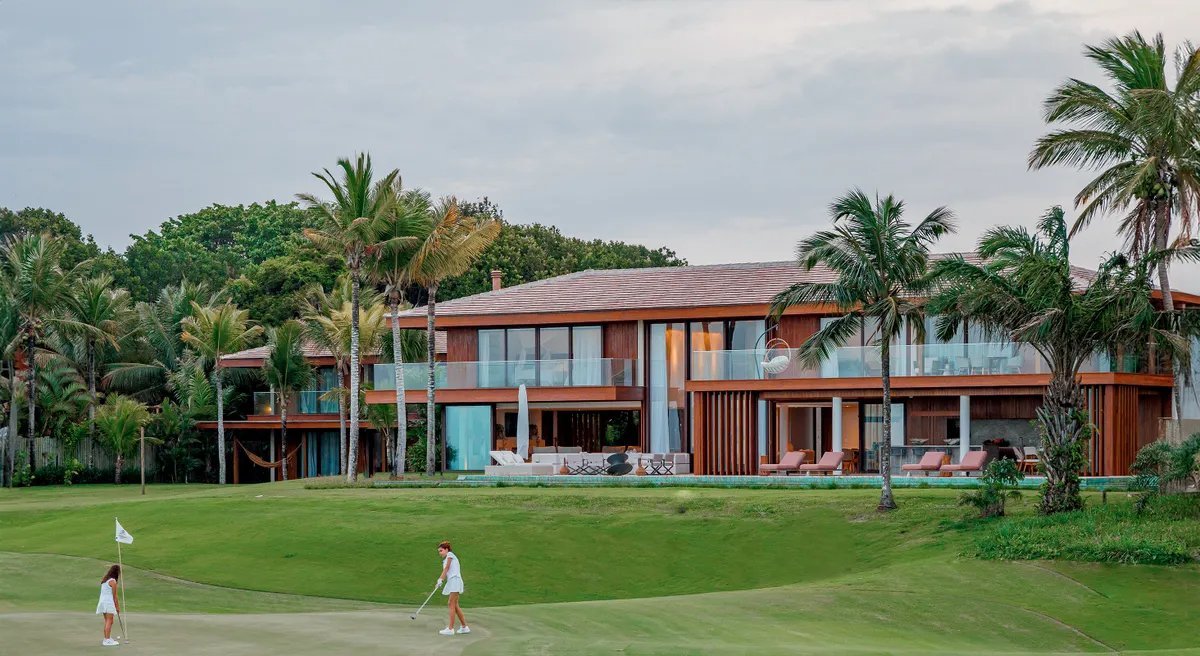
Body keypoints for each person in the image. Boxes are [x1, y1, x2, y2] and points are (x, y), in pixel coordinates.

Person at [436, 541, 468, 636]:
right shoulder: (446, 559)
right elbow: (446, 570)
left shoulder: (450, 555)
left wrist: (440, 579)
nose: (440, 553)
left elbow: (447, 569)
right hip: (453, 581)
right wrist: (440, 581)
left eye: (441, 551)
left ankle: (450, 629)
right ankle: (464, 627)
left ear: (446, 549)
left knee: (451, 603)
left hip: (455, 581)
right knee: (455, 605)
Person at [96, 564, 121, 646]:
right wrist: (117, 606)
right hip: (108, 602)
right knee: (109, 621)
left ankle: (107, 638)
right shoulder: (113, 581)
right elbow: (115, 596)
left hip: (103, 602)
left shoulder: (105, 580)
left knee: (108, 621)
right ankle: (106, 640)